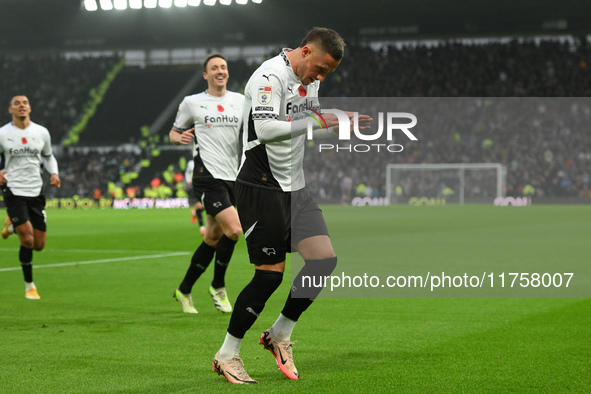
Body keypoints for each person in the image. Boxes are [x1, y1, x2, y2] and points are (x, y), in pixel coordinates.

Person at [212, 27, 371, 384]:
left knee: (323, 260)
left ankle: (279, 334)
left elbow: (308, 126)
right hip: (260, 184)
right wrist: (320, 118)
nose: (320, 76)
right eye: (320, 68)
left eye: (327, 73)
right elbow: (267, 129)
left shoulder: (309, 79)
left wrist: (340, 126)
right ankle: (227, 354)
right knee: (269, 275)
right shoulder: (270, 76)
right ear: (304, 51)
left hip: (293, 185)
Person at [169, 53, 244, 314]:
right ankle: (218, 285)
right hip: (207, 176)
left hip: (233, 176)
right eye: (214, 68)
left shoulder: (240, 101)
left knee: (212, 236)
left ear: (227, 72)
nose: (219, 71)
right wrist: (179, 139)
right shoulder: (192, 103)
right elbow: (174, 132)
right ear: (206, 75)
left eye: (223, 67)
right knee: (234, 230)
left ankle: (184, 289)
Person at [0, 95, 61, 299]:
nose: (21, 106)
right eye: (16, 103)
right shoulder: (3, 133)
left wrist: (54, 173)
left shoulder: (41, 132)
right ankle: (30, 286)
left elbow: (48, 156)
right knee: (27, 238)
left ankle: (10, 226)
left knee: (39, 244)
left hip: (36, 190)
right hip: (13, 189)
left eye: (24, 103)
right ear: (11, 110)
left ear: (30, 108)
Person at [185, 159, 206, 234]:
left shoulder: (206, 160)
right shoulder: (191, 162)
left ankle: (194, 213)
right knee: (200, 207)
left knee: (205, 207)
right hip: (193, 187)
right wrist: (188, 182)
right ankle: (202, 227)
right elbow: (187, 172)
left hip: (204, 187)